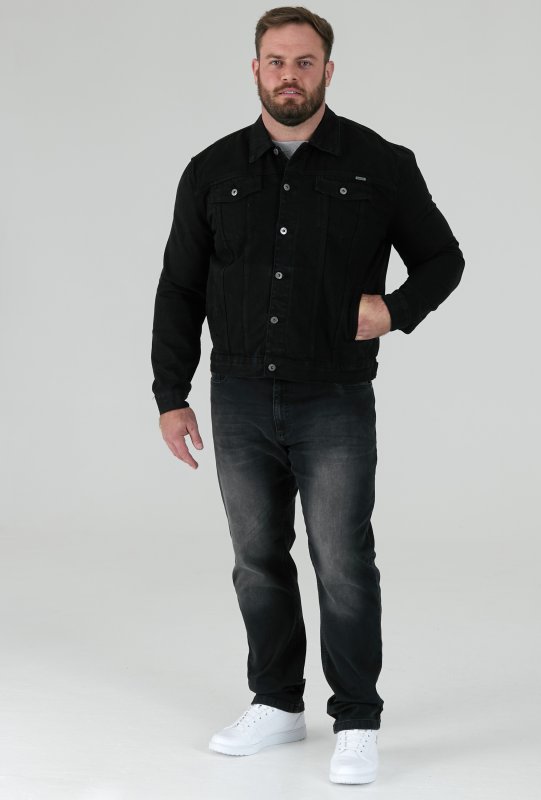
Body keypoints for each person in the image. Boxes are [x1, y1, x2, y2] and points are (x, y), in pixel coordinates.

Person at [150, 5, 465, 785]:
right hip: (239, 398)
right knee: (256, 559)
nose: (289, 75)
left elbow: (443, 258)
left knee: (343, 560)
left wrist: (395, 309)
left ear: (328, 69)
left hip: (334, 399)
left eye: (304, 61)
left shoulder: (380, 163)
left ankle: (356, 719)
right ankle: (276, 703)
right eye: (276, 61)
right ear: (255, 69)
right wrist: (170, 393)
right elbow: (179, 287)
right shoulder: (212, 170)